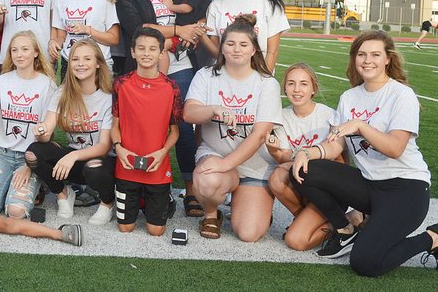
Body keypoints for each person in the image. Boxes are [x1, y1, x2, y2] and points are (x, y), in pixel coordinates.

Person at [291, 31, 437, 276]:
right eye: (362, 54)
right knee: (304, 171)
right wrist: (307, 152)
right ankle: (345, 229)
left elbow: (395, 148)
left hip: (406, 189)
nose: (367, 60)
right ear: (354, 58)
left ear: (387, 59)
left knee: (366, 263)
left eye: (375, 55)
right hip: (370, 186)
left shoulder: (401, 94)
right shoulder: (350, 97)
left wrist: (361, 125)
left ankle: (432, 238)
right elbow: (336, 145)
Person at [115, 0, 207, 215]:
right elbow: (138, 27)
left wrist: (183, 32)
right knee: (147, 128)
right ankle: (154, 187)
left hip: (180, 64)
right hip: (144, 68)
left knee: (183, 128)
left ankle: (190, 188)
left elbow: (195, 17)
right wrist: (177, 31)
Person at [183, 15, 282, 241]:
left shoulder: (266, 83)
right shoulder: (206, 76)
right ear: (222, 48)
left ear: (254, 50)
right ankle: (210, 214)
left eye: (243, 44)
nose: (236, 49)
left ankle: (249, 203)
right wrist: (214, 109)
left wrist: (227, 164)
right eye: (230, 43)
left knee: (249, 234)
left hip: (254, 163)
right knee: (207, 182)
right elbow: (189, 114)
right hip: (215, 154)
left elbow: (259, 136)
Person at [25, 40, 116, 225]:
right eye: (75, 59)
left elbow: (105, 147)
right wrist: (41, 130)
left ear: (98, 63)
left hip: (100, 162)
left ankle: (107, 203)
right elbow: (47, 128)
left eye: (87, 59)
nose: (80, 64)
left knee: (94, 167)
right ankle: (63, 194)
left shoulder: (108, 97)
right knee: (33, 153)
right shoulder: (62, 92)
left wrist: (73, 155)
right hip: (73, 162)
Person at [265, 63, 350, 250]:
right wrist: (274, 151)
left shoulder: (329, 116)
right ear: (284, 88)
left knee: (295, 241)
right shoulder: (280, 117)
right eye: (291, 83)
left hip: (328, 190)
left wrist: (304, 156)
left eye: (303, 84)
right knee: (277, 177)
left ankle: (345, 220)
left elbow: (341, 161)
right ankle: (308, 218)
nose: (297, 89)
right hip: (304, 187)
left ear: (313, 89)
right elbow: (283, 159)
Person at [0, 31, 57, 218]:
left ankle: (36, 186)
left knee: (15, 211)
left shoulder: (47, 85)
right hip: (2, 155)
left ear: (36, 52)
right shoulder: (2, 80)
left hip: (30, 157)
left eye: (25, 49)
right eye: (14, 50)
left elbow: (48, 135)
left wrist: (31, 164)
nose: (19, 54)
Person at [111, 27, 182, 235]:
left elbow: (174, 132)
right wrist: (119, 149)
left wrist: (162, 153)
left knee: (156, 231)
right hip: (127, 165)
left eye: (152, 49)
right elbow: (115, 126)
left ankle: (161, 200)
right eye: (141, 48)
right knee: (125, 228)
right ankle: (139, 199)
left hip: (157, 166)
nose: (146, 53)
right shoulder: (121, 84)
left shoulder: (171, 87)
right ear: (132, 52)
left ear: (161, 53)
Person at [49, 0, 120, 78]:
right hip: (70, 64)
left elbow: (114, 39)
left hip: (98, 64)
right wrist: (54, 43)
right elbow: (61, 37)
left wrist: (88, 30)